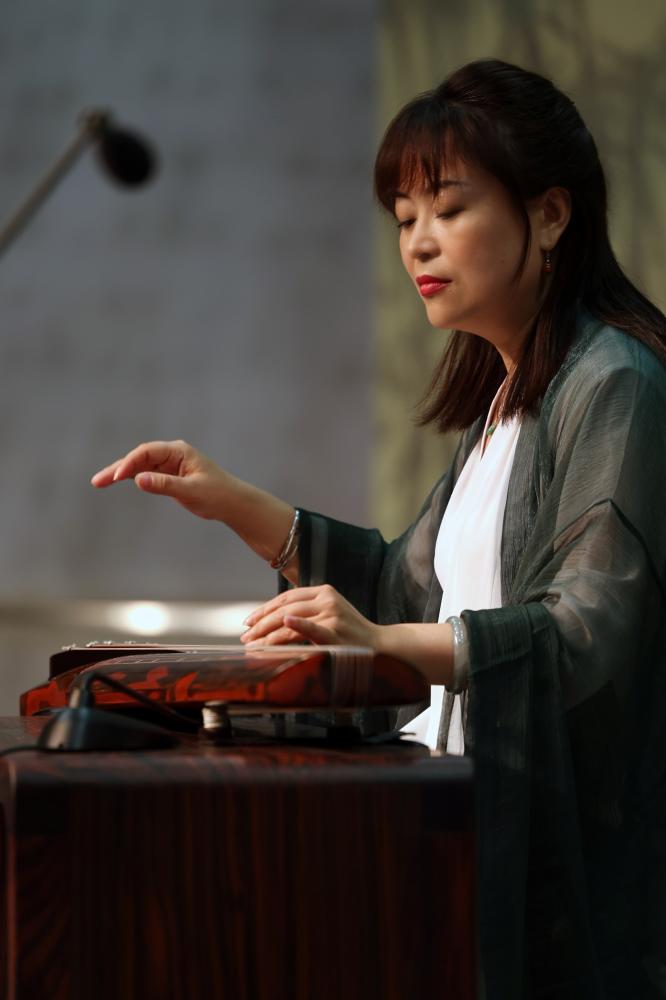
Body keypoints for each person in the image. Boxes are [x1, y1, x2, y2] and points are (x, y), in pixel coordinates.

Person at [92, 60, 666, 1000]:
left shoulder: (615, 384)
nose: (419, 242)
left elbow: (590, 629)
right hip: (466, 838)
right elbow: (407, 590)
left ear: (552, 214)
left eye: (450, 207)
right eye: (404, 218)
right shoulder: (507, 402)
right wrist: (234, 502)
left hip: (571, 886)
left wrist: (384, 642)